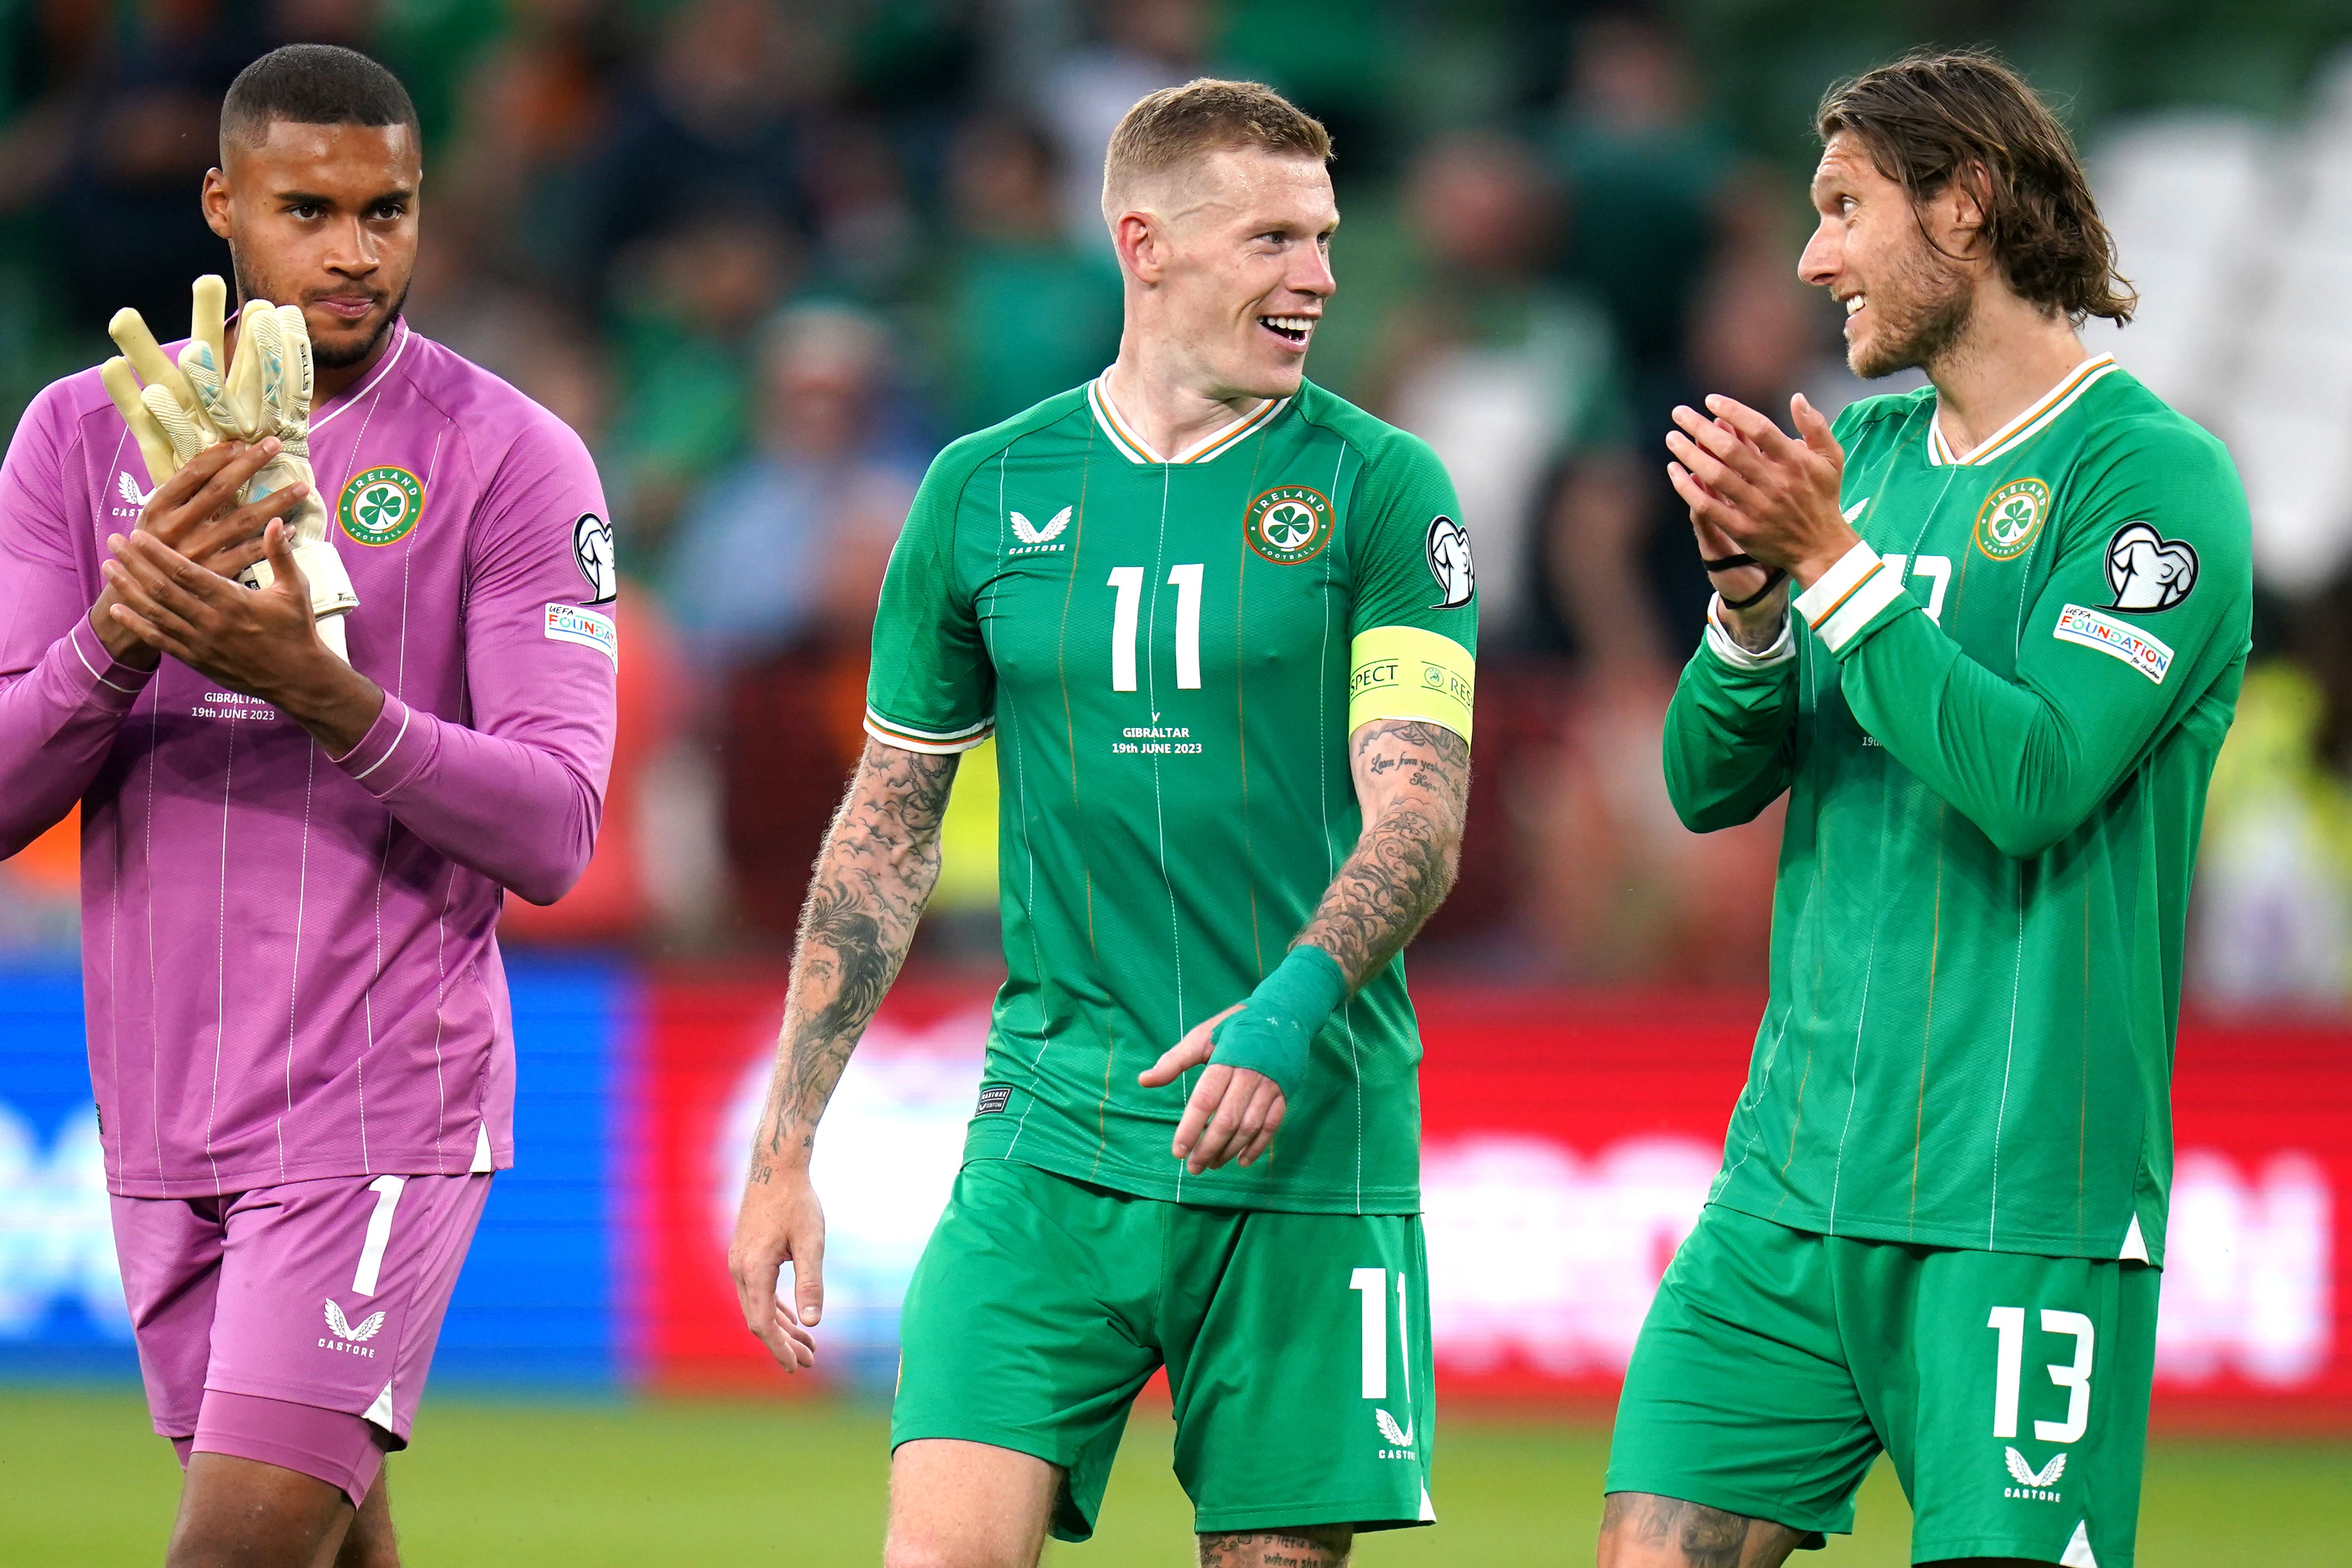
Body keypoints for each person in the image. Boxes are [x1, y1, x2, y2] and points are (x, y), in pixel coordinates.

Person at [727, 78, 1476, 1568]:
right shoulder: (984, 491)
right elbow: (885, 833)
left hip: (1305, 1148)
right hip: (1048, 1138)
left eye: (1324, 240)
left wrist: (1287, 1011)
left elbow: (1423, 813)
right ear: (1147, 244)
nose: (1320, 277)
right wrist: (781, 1150)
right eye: (1275, 240)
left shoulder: (1386, 489)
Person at [1599, 51, 2251, 1568]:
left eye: (1844, 207)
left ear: (1965, 206)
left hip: (2018, 1202)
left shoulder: (2150, 484)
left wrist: (1827, 565)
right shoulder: (1865, 468)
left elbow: (2031, 784)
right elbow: (1710, 784)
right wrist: (1752, 604)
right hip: (1790, 1186)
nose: (1813, 256)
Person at [0, 44, 614, 1568]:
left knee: (236, 1552)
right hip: (159, 1108)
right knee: (330, 1548)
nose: (353, 250)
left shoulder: (514, 460)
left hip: (376, 1100)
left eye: (386, 211)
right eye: (307, 208)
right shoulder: (80, 442)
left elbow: (553, 828)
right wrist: (121, 639)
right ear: (222, 203)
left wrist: (319, 688)